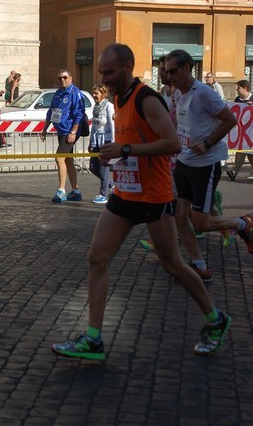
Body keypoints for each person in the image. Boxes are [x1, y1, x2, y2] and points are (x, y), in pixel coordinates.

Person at [51, 43, 232, 360]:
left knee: (173, 265)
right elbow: (130, 142)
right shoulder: (117, 99)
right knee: (97, 257)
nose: (104, 78)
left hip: (154, 195)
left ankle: (215, 319)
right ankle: (93, 339)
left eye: (109, 72)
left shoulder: (147, 98)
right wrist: (117, 154)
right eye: (101, 72)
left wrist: (125, 151)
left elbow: (172, 143)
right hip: (124, 192)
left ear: (127, 67)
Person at [165, 50, 253, 283]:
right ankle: (199, 265)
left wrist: (207, 142)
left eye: (173, 71)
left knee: (200, 222)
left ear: (187, 68)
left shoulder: (204, 93)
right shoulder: (178, 94)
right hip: (184, 162)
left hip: (205, 164)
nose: (169, 75)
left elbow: (230, 120)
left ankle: (244, 223)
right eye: (166, 71)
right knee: (180, 216)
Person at [40, 68, 86, 203]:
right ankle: (76, 191)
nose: (62, 80)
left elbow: (79, 113)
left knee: (59, 158)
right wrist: (45, 129)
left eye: (65, 77)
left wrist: (73, 132)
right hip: (61, 131)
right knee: (68, 160)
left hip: (69, 131)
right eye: (60, 78)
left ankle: (61, 190)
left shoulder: (75, 93)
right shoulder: (58, 93)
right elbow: (51, 111)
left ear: (70, 78)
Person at [88, 84, 114, 204]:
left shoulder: (109, 107)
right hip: (96, 140)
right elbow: (93, 125)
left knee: (104, 168)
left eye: (96, 93)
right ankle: (113, 186)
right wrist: (90, 141)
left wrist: (113, 142)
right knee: (93, 167)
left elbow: (112, 125)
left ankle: (103, 194)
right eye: (93, 93)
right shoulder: (96, 107)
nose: (94, 95)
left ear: (103, 94)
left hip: (106, 140)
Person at [226, 79, 253, 181]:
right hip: (241, 132)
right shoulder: (237, 99)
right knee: (240, 151)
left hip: (251, 132)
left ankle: (235, 171)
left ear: (245, 89)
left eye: (238, 88)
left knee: (250, 153)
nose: (237, 90)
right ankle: (234, 171)